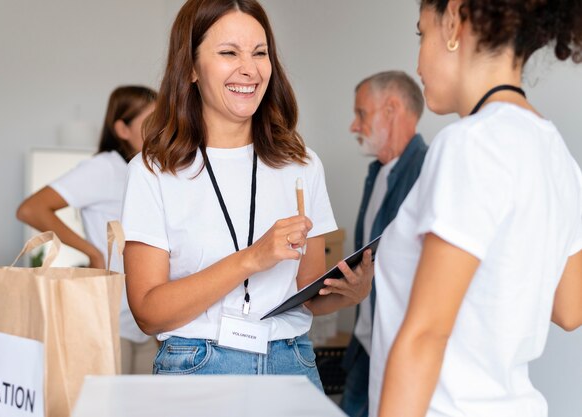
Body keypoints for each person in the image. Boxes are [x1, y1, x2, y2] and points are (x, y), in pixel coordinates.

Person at [120, 0, 374, 388]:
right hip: (197, 368)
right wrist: (252, 258)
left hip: (293, 363)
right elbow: (148, 312)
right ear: (189, 67)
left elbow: (308, 294)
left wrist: (350, 293)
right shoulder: (153, 171)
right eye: (228, 53)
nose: (250, 69)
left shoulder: (302, 164)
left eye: (260, 53)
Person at [369, 1, 582, 416]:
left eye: (421, 33)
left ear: (453, 18)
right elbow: (570, 307)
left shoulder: (470, 143)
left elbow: (425, 335)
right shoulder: (556, 154)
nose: (417, 60)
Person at [17, 85, 158, 374]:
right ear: (122, 129)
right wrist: (91, 252)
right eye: (150, 122)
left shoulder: (148, 172)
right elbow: (31, 208)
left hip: (145, 321)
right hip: (108, 316)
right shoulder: (104, 168)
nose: (160, 130)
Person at [340, 71, 427, 417]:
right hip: (365, 345)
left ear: (391, 109)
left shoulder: (428, 173)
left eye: (361, 113)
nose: (353, 125)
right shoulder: (377, 173)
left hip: (397, 351)